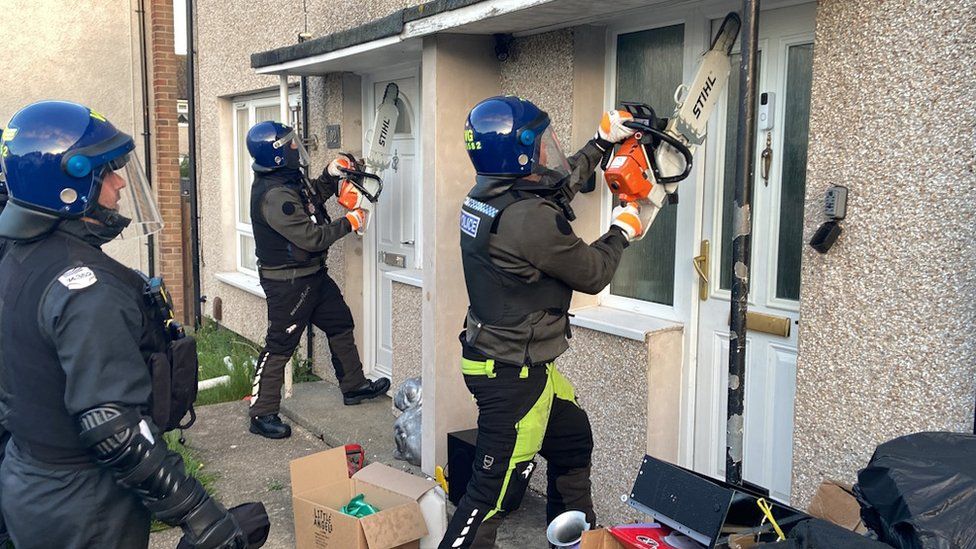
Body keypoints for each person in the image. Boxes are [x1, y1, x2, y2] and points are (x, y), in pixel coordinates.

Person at [0, 100, 250, 548]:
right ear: (67, 188)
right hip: (83, 502)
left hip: (28, 480)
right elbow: (111, 426)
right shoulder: (87, 289)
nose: (119, 184)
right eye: (107, 173)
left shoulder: (18, 258)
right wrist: (198, 512)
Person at [440, 96, 650, 548]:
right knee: (492, 495)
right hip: (512, 373)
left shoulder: (489, 194)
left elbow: (554, 186)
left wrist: (600, 143)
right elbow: (593, 272)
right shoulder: (527, 220)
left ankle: (573, 540)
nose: (547, 151)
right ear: (518, 152)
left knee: (572, 440)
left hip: (516, 359)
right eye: (540, 144)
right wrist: (623, 230)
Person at [245, 121, 391, 439]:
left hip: (313, 275)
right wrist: (349, 222)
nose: (297, 146)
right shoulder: (273, 196)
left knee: (340, 321)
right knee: (281, 344)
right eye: (291, 144)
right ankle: (261, 412)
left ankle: (354, 387)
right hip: (288, 283)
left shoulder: (287, 179)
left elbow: (312, 199)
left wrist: (330, 174)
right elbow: (311, 237)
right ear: (278, 154)